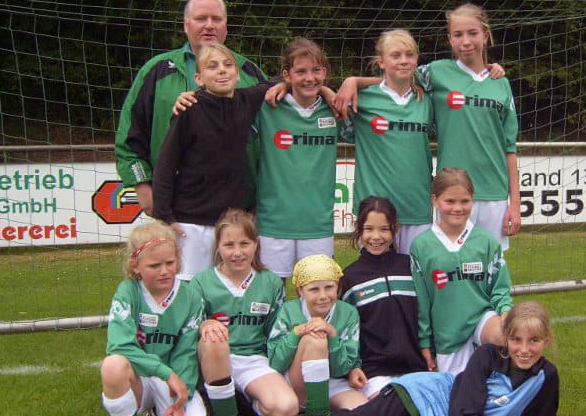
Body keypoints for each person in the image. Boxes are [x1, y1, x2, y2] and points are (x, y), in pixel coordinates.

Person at [177, 301, 570, 416]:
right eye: (516, 339)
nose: (523, 349)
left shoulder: (544, 377)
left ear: (545, 341)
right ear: (505, 339)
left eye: (533, 342)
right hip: (418, 400)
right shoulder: (487, 355)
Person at [336, 3, 520, 250]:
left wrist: (515, 203)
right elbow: (397, 78)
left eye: (473, 33)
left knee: (489, 268)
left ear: (485, 35)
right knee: (445, 265)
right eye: (458, 34)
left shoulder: (501, 84)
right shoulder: (436, 73)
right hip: (448, 195)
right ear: (450, 39)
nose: (466, 41)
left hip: (494, 195)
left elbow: (510, 147)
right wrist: (353, 81)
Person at [115, 0, 265, 217]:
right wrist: (142, 186)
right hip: (178, 211)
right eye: (200, 19)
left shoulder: (248, 72)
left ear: (226, 25)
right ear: (186, 25)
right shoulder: (156, 71)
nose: (209, 25)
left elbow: (286, 94)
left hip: (240, 211)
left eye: (216, 19)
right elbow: (129, 137)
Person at [151, 43, 271, 280]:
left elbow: (281, 81)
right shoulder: (189, 108)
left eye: (228, 65)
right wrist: (164, 215)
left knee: (227, 288)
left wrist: (328, 91)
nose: (222, 71)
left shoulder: (246, 101)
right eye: (212, 66)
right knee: (189, 289)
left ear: (238, 75)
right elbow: (166, 164)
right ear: (199, 77)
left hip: (230, 223)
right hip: (191, 221)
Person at [100, 221, 208, 416]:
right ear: (135, 266)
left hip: (174, 379)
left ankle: (162, 410)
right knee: (113, 365)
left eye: (170, 263)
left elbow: (186, 353)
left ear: (178, 261)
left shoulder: (190, 295)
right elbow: (120, 345)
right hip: (139, 377)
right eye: (154, 266)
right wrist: (165, 373)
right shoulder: (128, 292)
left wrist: (181, 399)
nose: (164, 271)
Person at [191, 208, 299, 416]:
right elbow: (188, 333)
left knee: (287, 408)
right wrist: (205, 325)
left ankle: (245, 403)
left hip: (253, 360)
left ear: (256, 244)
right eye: (229, 245)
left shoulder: (271, 283)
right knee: (214, 338)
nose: (237, 252)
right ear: (218, 247)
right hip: (214, 359)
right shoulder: (201, 282)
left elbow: (275, 335)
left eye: (244, 244)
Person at [338, 29, 434, 254]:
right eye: (396, 55)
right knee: (378, 280)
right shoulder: (362, 99)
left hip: (417, 208)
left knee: (416, 283)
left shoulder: (427, 101)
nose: (403, 61)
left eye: (409, 55)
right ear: (381, 61)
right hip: (375, 214)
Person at [410, 167, 513, 375]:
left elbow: (500, 289)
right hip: (447, 335)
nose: (458, 208)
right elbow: (422, 301)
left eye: (464, 201)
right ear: (435, 200)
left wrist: (506, 314)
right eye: (450, 201)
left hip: (481, 322)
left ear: (472, 200)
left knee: (505, 335)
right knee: (458, 396)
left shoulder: (487, 242)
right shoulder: (421, 246)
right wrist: (425, 341)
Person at [252, 38, 339, 280]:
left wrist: (328, 92)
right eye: (301, 71)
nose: (309, 78)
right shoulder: (268, 107)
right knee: (269, 297)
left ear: (326, 73)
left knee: (318, 297)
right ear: (287, 75)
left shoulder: (335, 109)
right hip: (273, 223)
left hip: (317, 224)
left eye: (316, 70)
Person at [340, 196, 432, 399]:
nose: (376, 236)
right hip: (374, 373)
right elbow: (346, 332)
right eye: (369, 229)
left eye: (384, 229)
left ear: (395, 229)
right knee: (396, 410)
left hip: (415, 365)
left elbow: (427, 313)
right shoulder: (349, 278)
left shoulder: (410, 266)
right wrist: (352, 368)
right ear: (359, 229)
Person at [267, 254, 368, 415]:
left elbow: (342, 368)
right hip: (298, 382)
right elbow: (275, 363)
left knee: (362, 409)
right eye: (314, 289)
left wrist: (333, 336)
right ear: (300, 290)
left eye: (329, 287)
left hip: (332, 380)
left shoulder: (349, 313)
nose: (323, 296)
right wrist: (296, 333)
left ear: (338, 287)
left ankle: (322, 408)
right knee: (314, 340)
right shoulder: (288, 311)